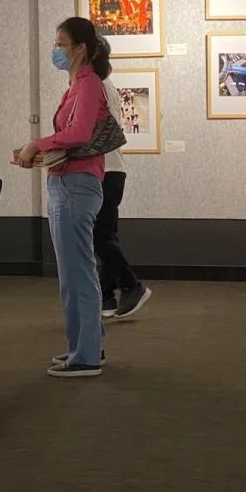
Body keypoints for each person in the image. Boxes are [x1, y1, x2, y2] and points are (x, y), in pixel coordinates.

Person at [16, 17, 110, 378]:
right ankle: (83, 346)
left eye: (60, 43)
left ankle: (86, 355)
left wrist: (37, 144)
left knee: (78, 272)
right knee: (71, 274)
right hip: (66, 182)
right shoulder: (76, 86)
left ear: (80, 49)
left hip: (76, 185)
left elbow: (78, 133)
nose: (55, 50)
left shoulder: (88, 85)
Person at [97, 75, 152, 320]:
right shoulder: (99, 83)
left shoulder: (97, 84)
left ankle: (131, 285)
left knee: (99, 236)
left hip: (106, 170)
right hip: (108, 169)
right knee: (104, 235)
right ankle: (106, 295)